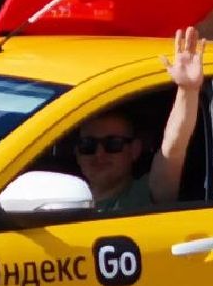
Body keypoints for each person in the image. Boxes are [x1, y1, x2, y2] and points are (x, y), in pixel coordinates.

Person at [76, 27, 205, 214]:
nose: (99, 153)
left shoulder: (144, 194)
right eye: (88, 145)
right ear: (77, 152)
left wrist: (188, 90)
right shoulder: (57, 197)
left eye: (113, 144)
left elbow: (173, 149)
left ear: (135, 150)